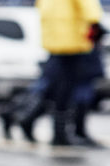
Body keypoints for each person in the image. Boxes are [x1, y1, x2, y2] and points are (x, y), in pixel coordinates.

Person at [35, 0, 104, 146]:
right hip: (74, 41)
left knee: (57, 87)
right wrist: (96, 23)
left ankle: (59, 132)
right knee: (68, 88)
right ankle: (63, 133)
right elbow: (89, 8)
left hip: (55, 41)